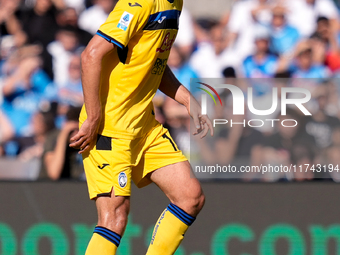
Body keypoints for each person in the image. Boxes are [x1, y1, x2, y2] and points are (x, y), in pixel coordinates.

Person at [69, 1, 213, 255]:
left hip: (143, 125)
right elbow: (91, 55)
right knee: (114, 218)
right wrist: (93, 118)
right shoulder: (140, 2)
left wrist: (187, 100)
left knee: (190, 196)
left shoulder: (175, 4)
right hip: (110, 127)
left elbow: (152, 62)